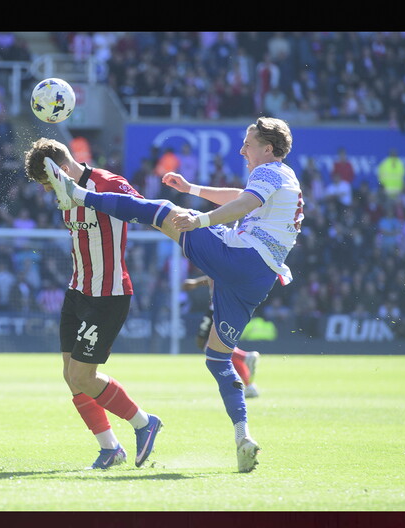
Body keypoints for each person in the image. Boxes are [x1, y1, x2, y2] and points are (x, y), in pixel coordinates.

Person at [42, 117, 303, 473]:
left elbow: (243, 205)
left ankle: (79, 195)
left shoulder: (270, 171)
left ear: (268, 148)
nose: (243, 150)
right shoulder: (283, 177)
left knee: (164, 212)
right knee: (217, 359)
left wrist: (201, 220)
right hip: (259, 278)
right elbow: (243, 199)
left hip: (242, 257)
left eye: (248, 143)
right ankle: (243, 437)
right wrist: (193, 187)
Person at [23, 137, 163, 471]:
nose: (46, 191)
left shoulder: (109, 183)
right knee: (71, 375)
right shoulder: (61, 191)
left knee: (84, 376)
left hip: (108, 295)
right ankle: (110, 449)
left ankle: (145, 423)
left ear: (62, 169)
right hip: (77, 291)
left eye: (46, 183)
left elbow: (143, 211)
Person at [183, 275, 262, 398]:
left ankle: (245, 356)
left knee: (203, 342)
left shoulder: (219, 258)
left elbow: (216, 272)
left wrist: (196, 283)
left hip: (218, 308)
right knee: (225, 350)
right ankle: (249, 386)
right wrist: (196, 283)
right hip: (231, 307)